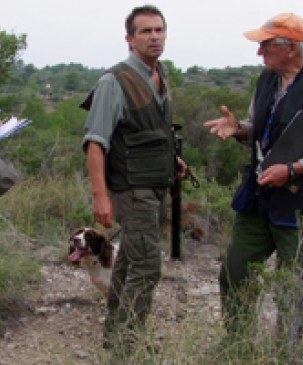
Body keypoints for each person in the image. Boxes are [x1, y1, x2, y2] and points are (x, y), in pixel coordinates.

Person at [203, 12, 303, 352]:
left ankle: (288, 354)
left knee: (294, 287)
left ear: (291, 48)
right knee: (235, 271)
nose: (259, 53)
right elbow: (262, 129)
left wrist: (295, 169)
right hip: (258, 199)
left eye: (266, 45)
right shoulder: (267, 81)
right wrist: (241, 130)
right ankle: (238, 346)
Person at [80, 5, 186, 351]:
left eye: (159, 30)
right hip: (132, 189)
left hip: (155, 186)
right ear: (130, 38)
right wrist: (101, 196)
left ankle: (116, 336)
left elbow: (151, 131)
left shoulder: (161, 74)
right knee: (147, 267)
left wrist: (173, 160)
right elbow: (96, 143)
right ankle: (130, 346)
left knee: (128, 263)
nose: (154, 37)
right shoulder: (115, 81)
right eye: (145, 31)